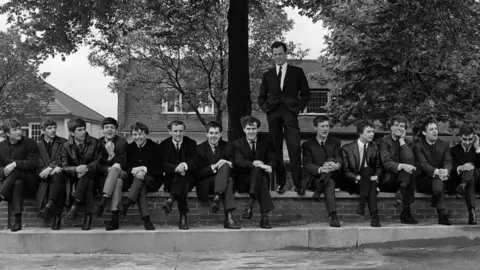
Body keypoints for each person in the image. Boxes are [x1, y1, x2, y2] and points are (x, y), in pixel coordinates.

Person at [258, 41, 311, 195]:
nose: (278, 57)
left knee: (294, 147)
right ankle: (280, 183)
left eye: (280, 54)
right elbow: (261, 97)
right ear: (272, 56)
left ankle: (298, 184)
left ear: (286, 53)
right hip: (273, 113)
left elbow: (306, 94)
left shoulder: (297, 72)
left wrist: (298, 108)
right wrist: (266, 109)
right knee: (276, 149)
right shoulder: (267, 75)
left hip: (290, 113)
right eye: (275, 55)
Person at [233, 116, 276, 229]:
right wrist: (257, 164)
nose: (251, 131)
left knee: (262, 179)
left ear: (257, 129)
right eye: (248, 129)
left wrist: (269, 166)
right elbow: (239, 162)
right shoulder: (237, 144)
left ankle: (250, 209)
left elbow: (273, 160)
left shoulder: (265, 142)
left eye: (253, 128)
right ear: (244, 129)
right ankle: (264, 217)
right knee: (261, 176)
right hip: (244, 181)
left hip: (259, 180)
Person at [195, 121, 240, 229]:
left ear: (221, 134)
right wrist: (214, 167)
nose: (213, 136)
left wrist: (229, 164)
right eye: (211, 133)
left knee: (226, 171)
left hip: (223, 183)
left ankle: (218, 197)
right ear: (206, 134)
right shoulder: (199, 149)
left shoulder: (228, 147)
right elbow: (197, 173)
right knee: (227, 180)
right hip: (206, 184)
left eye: (216, 133)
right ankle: (228, 219)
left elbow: (236, 166)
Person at [117, 122, 162, 230]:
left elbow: (159, 168)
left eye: (140, 134)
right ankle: (146, 220)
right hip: (137, 181)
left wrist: (144, 169)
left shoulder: (155, 147)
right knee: (140, 186)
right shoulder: (130, 148)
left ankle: (128, 202)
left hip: (153, 180)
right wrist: (134, 170)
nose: (137, 137)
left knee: (140, 178)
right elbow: (126, 166)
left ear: (146, 134)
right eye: (135, 135)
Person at [62, 118, 103, 230]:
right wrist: (76, 169)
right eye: (80, 130)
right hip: (74, 179)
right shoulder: (66, 146)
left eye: (84, 129)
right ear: (72, 133)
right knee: (87, 184)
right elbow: (64, 167)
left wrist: (86, 168)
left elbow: (99, 162)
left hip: (93, 176)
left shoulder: (95, 143)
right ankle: (88, 217)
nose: (83, 132)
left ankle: (75, 206)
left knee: (88, 181)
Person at [0, 118, 39, 232]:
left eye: (19, 129)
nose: (19, 132)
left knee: (16, 170)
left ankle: (1, 195)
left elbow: (33, 163)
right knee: (17, 183)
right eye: (15, 130)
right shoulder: (1, 146)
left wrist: (15, 164)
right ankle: (18, 220)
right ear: (7, 133)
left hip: (30, 182)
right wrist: (4, 170)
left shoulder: (30, 143)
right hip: (13, 184)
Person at [302, 115, 341, 227]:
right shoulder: (307, 145)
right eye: (322, 126)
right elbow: (307, 165)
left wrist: (336, 165)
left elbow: (339, 157)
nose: (325, 129)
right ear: (315, 128)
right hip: (315, 179)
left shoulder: (335, 142)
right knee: (330, 182)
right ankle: (333, 216)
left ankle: (320, 191)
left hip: (332, 176)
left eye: (327, 126)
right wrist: (320, 169)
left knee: (331, 160)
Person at [342, 120, 382, 227]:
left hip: (369, 180)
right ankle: (374, 216)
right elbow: (345, 171)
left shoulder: (375, 147)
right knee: (367, 176)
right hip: (354, 182)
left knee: (367, 171)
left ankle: (363, 203)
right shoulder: (347, 148)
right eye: (369, 131)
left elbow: (379, 167)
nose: (372, 134)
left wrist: (376, 176)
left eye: (373, 131)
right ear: (360, 134)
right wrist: (357, 177)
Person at [378, 116, 418, 224]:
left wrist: (401, 140)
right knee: (408, 171)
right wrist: (402, 166)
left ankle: (402, 188)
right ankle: (406, 212)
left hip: (402, 181)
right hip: (388, 179)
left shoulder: (408, 142)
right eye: (396, 125)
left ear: (405, 129)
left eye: (402, 126)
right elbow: (386, 163)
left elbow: (409, 158)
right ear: (391, 127)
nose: (399, 128)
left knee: (410, 170)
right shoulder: (384, 141)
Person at [159, 120, 197, 230]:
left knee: (184, 180)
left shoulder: (191, 143)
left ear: (185, 131)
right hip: (170, 181)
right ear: (170, 132)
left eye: (181, 131)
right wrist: (177, 168)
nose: (178, 134)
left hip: (188, 179)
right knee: (182, 182)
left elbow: (195, 162)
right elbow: (162, 164)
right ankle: (183, 216)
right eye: (175, 131)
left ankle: (172, 199)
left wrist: (184, 165)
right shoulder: (164, 145)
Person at [414, 117, 452, 225]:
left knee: (439, 181)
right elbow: (423, 164)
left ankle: (442, 212)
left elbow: (448, 161)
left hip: (441, 179)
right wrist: (437, 172)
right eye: (431, 129)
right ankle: (441, 212)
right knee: (438, 179)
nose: (435, 131)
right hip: (424, 180)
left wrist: (446, 171)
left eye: (436, 129)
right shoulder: (418, 146)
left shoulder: (444, 145)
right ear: (424, 132)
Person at [94, 117, 129, 231]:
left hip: (122, 173)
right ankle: (115, 219)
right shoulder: (97, 143)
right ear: (102, 130)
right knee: (117, 182)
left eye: (112, 127)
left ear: (116, 130)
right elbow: (97, 164)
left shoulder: (122, 142)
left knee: (116, 168)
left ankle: (104, 200)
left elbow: (123, 164)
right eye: (107, 127)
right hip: (106, 178)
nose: (109, 130)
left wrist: (112, 154)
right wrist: (107, 169)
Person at [36, 118, 68, 230]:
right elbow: (36, 160)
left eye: (54, 128)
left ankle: (55, 213)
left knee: (58, 178)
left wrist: (51, 168)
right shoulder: (37, 144)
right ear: (43, 130)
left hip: (58, 173)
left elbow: (63, 158)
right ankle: (55, 215)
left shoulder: (63, 142)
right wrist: (45, 170)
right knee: (55, 184)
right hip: (42, 175)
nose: (53, 130)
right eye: (50, 128)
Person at [449, 124, 479, 225]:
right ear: (460, 137)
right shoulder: (453, 150)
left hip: (477, 179)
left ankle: (464, 184)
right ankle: (472, 211)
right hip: (459, 180)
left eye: (470, 139)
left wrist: (478, 148)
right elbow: (450, 167)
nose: (467, 142)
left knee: (471, 167)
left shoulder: (477, 150)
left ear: (474, 137)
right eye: (464, 139)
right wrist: (461, 168)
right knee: (470, 177)